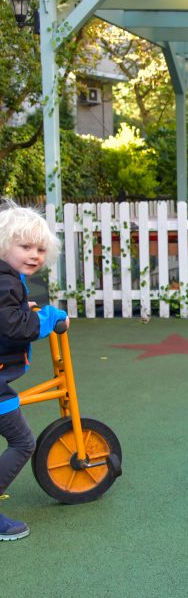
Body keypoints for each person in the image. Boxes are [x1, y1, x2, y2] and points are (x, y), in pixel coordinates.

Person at [0, 201, 68, 541]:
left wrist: (20, 308)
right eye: (25, 246)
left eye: (40, 249)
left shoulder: (8, 281)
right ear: (4, 245)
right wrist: (48, 318)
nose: (34, 255)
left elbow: (7, 313)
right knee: (23, 441)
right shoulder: (5, 283)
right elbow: (14, 326)